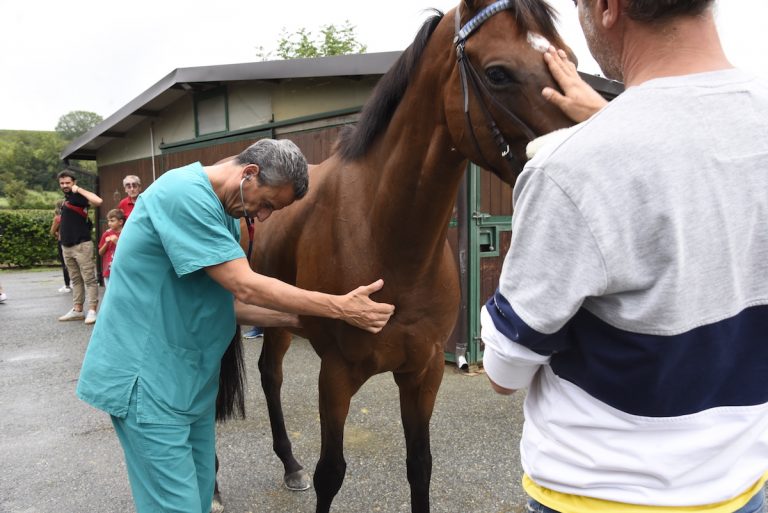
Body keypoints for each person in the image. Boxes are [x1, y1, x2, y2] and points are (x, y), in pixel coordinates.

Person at [481, 2, 768, 513]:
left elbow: (506, 371)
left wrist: (604, 134)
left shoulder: (571, 170)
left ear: (608, 7)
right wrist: (611, 117)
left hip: (598, 494)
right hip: (743, 485)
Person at [75, 138, 395, 513]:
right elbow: (246, 284)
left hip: (188, 385)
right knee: (176, 506)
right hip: (148, 383)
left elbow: (231, 305)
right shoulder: (182, 195)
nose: (262, 217)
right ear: (249, 173)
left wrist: (312, 321)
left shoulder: (223, 213)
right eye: (266, 204)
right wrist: (339, 307)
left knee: (196, 499)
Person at [57, 169, 102, 325]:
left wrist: (79, 189)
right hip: (67, 246)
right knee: (75, 279)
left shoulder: (78, 195)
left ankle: (92, 311)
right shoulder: (66, 199)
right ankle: (77, 310)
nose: (65, 185)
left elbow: (98, 202)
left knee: (89, 278)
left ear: (74, 182)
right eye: (62, 183)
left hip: (81, 245)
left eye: (68, 183)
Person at [98, 208, 125, 288]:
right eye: (108, 221)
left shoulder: (125, 233)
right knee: (109, 292)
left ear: (120, 222)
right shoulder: (106, 234)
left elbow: (128, 251)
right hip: (108, 271)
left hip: (121, 270)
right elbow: (100, 253)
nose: (109, 223)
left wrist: (117, 242)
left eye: (112, 221)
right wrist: (106, 243)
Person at [50, 199, 72, 293]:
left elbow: (52, 231)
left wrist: (57, 234)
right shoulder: (73, 216)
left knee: (65, 264)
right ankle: (75, 283)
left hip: (62, 241)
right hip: (74, 240)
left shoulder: (58, 218)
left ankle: (67, 285)